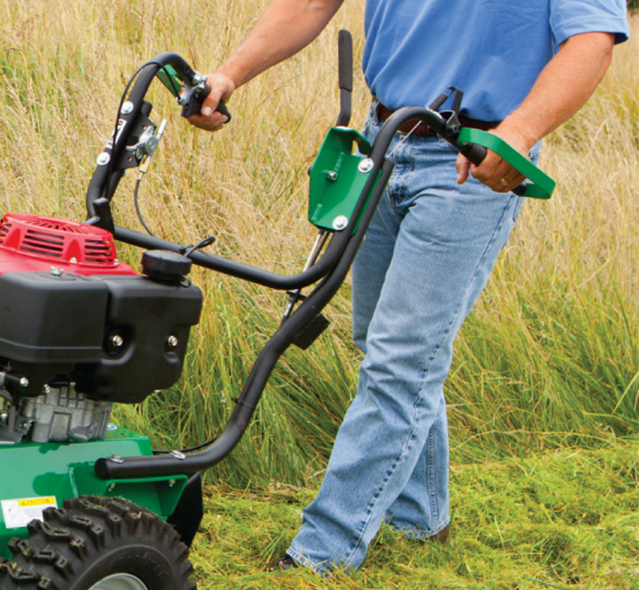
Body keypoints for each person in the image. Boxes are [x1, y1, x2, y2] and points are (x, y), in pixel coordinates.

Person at [182, 0, 630, 574]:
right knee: (385, 346)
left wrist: (519, 131)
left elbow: (591, 38)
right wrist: (228, 73)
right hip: (382, 140)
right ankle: (421, 518)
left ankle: (321, 555)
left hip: (472, 160)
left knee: (400, 360)